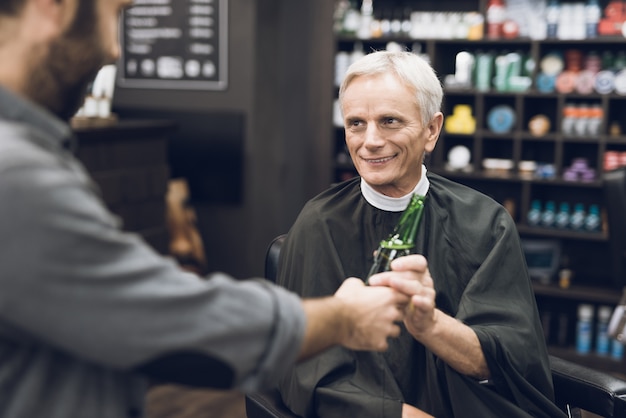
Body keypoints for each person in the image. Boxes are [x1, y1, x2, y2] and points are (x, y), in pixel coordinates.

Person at [0, 2, 425, 417]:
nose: (114, 50)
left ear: (431, 130)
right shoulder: (15, 173)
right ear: (52, 7)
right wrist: (343, 317)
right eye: (114, 17)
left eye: (390, 121)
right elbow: (167, 322)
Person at [276, 50, 567, 418]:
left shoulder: (484, 223)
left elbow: (507, 361)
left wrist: (428, 325)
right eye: (356, 124)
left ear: (431, 129)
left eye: (390, 121)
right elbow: (305, 370)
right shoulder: (319, 223)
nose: (370, 141)